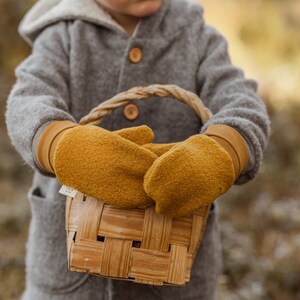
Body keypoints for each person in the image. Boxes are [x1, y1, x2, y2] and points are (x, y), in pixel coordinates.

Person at [5, 0, 270, 299]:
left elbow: (243, 104)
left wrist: (222, 150)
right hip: (68, 285)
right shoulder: (61, 35)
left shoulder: (196, 36)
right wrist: (60, 143)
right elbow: (27, 101)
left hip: (175, 285)